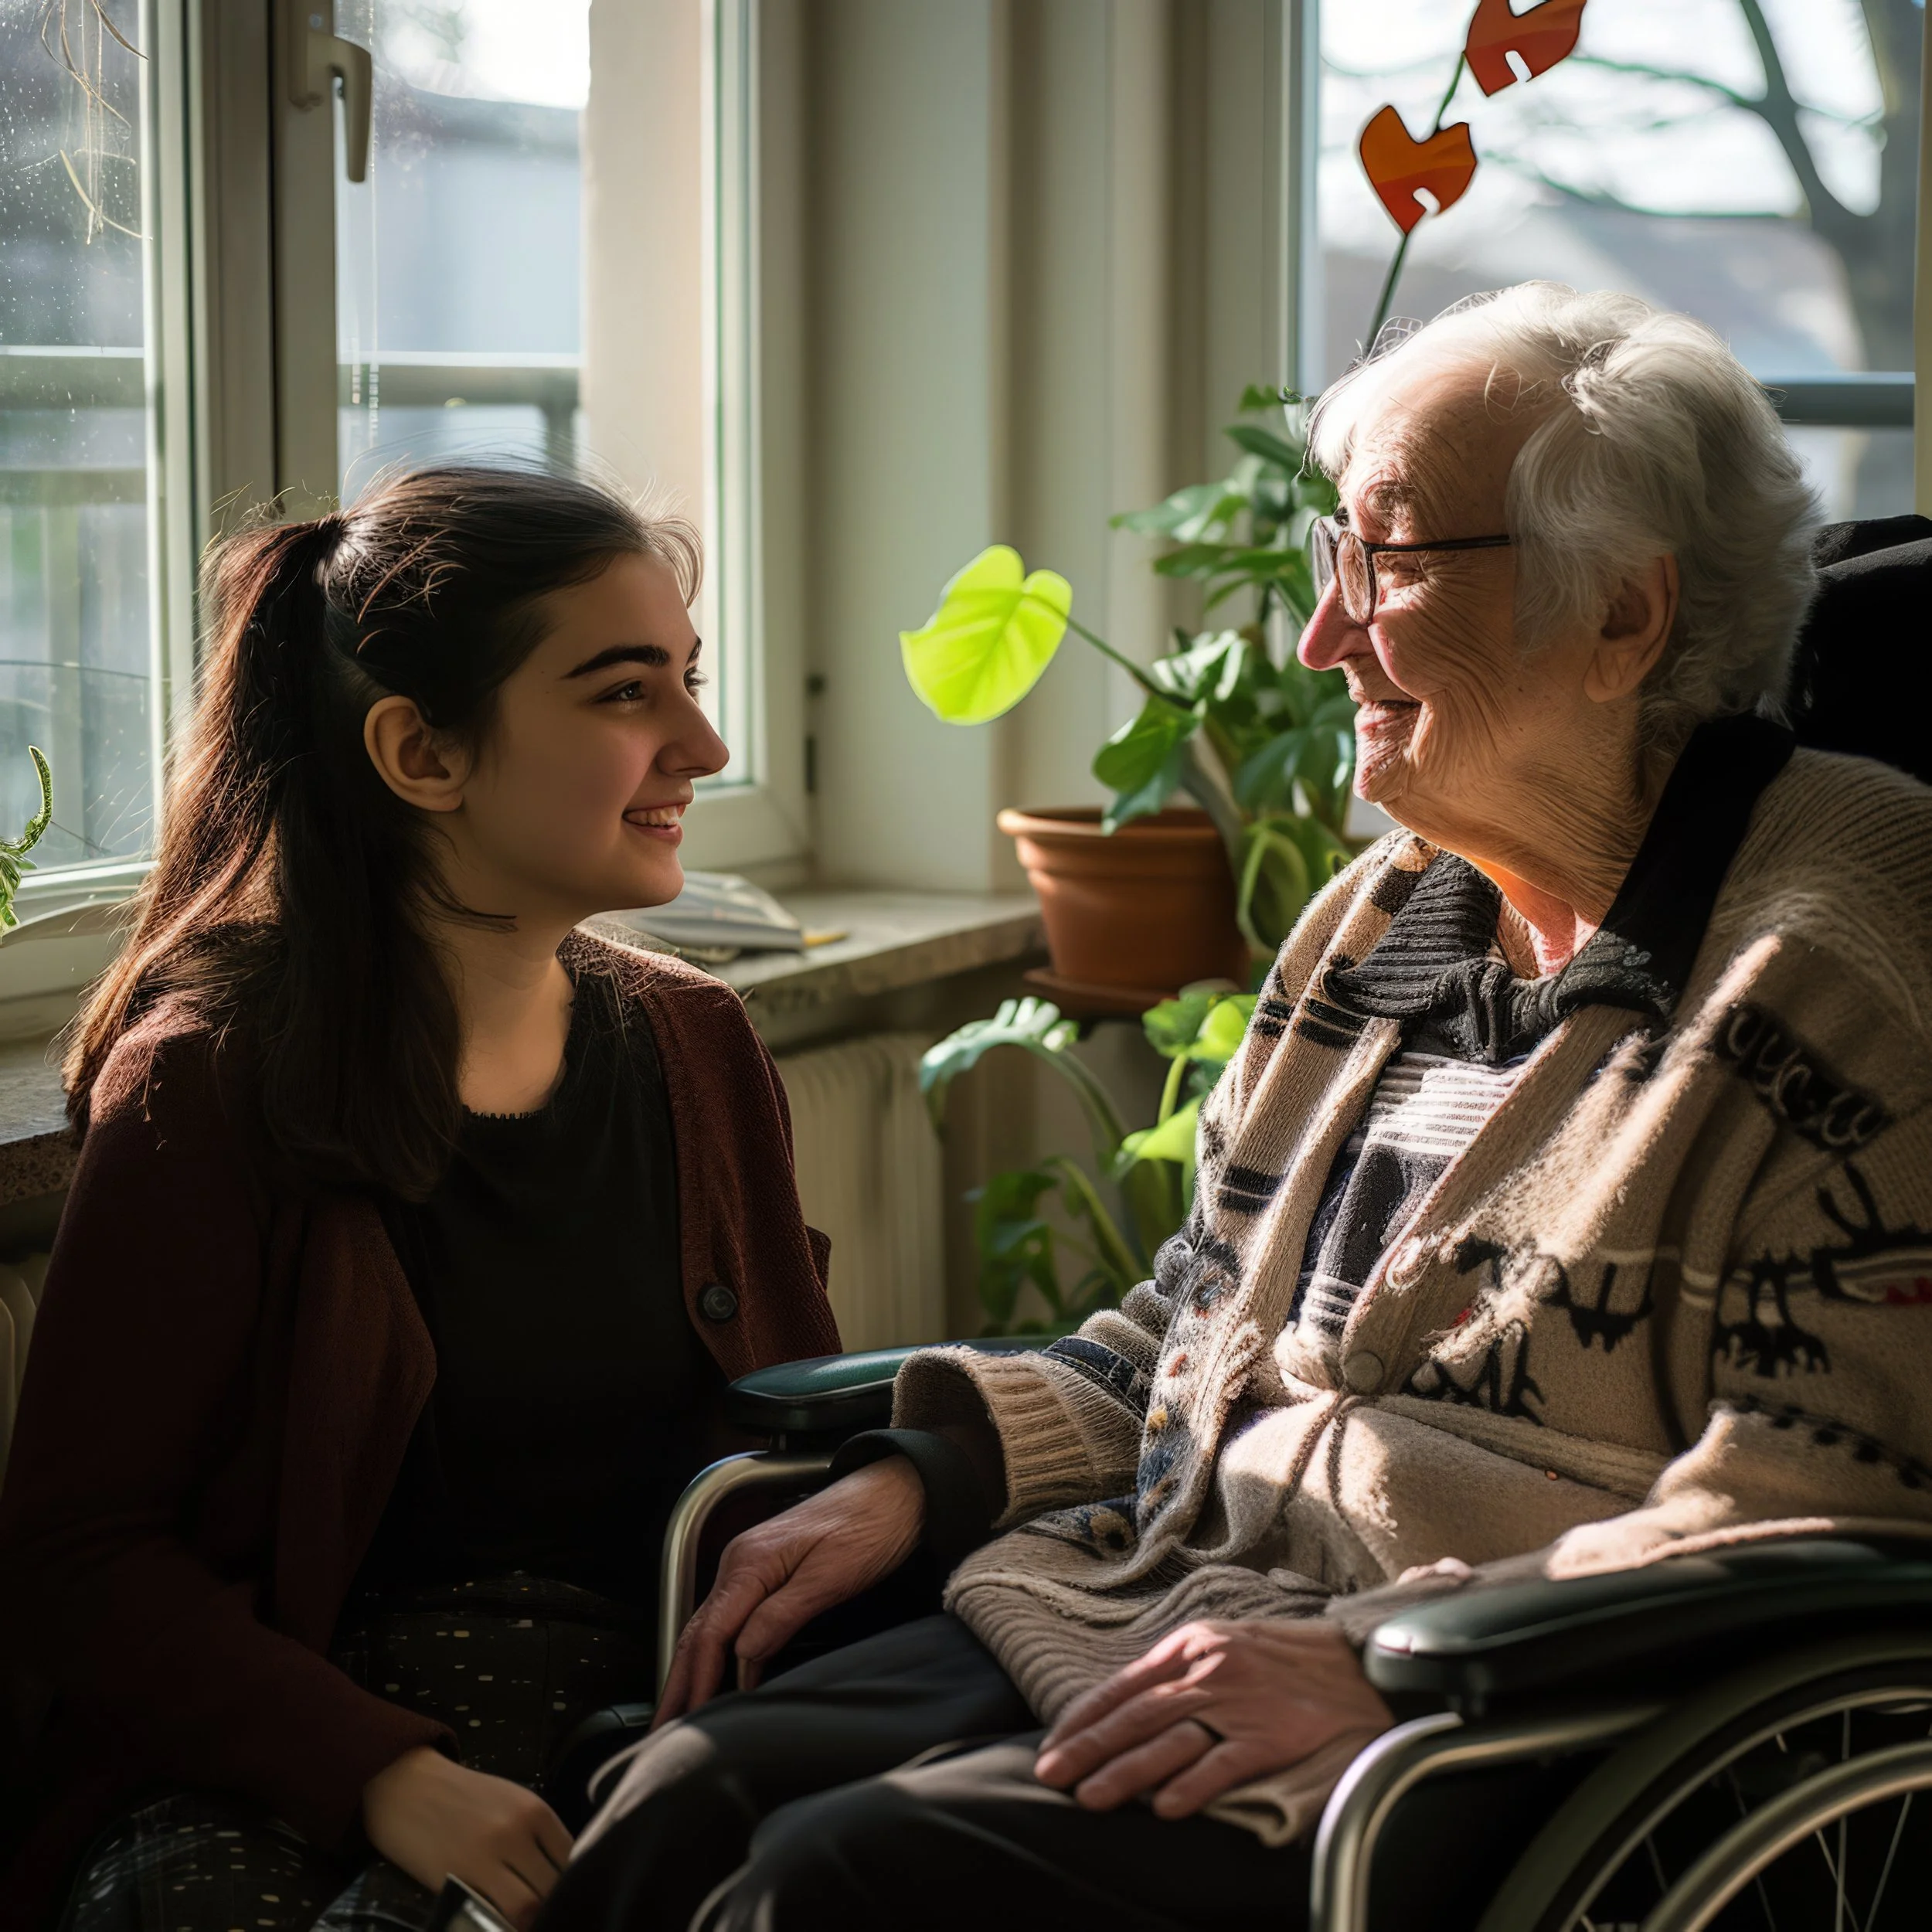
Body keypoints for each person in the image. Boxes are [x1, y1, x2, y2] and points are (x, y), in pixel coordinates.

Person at [544, 284, 1932, 1932]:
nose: (1318, 635)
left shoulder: (1842, 964)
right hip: (1166, 1595)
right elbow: (1198, 1312)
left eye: (1389, 564)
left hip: (1529, 1722)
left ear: (1621, 620)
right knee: (682, 1795)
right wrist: (933, 1461)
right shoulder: (1378, 918)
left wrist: (1380, 1657)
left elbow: (1827, 1500)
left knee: (837, 1880)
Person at [0, 468, 840, 1932]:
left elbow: (794, 1441)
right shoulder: (211, 1080)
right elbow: (80, 1562)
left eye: (687, 682)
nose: (701, 744)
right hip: (281, 1747)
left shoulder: (698, 1046)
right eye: (624, 693)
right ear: (422, 755)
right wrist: (385, 1774)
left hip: (652, 1727)